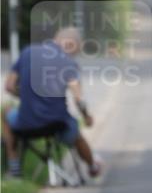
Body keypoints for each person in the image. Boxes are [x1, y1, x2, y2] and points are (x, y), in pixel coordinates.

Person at [2, 28, 102, 180]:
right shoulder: (69, 63)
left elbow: (9, 86)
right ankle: (92, 167)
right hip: (58, 125)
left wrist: (26, 96)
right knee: (76, 134)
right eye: (76, 51)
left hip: (25, 124)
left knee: (6, 112)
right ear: (72, 45)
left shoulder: (28, 52)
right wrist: (87, 117)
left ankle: (14, 168)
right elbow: (78, 100)